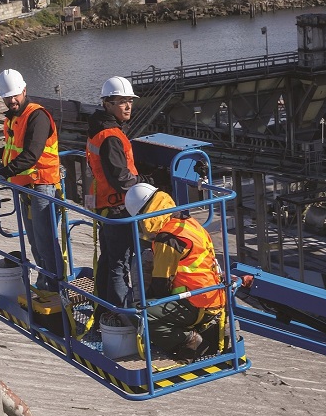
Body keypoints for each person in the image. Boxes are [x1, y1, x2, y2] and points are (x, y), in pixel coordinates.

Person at [0, 69, 63, 293]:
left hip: (42, 186)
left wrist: (2, 172)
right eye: (7, 96)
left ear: (24, 90)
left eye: (15, 95)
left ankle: (58, 289)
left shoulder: (36, 116)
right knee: (35, 244)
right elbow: (14, 151)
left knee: (46, 244)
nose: (12, 100)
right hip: (26, 188)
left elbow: (31, 155)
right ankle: (46, 284)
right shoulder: (15, 119)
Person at [124, 183, 226, 360]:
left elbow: (161, 285)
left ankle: (190, 341)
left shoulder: (167, 238)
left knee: (139, 313)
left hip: (197, 303)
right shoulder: (187, 222)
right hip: (213, 297)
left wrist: (149, 301)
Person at [85, 76, 155, 317]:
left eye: (130, 101)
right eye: (121, 102)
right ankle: (120, 316)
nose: (128, 106)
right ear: (107, 103)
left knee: (108, 260)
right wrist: (146, 183)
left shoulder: (99, 130)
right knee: (119, 264)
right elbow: (121, 179)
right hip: (118, 207)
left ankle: (103, 309)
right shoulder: (111, 136)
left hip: (105, 204)